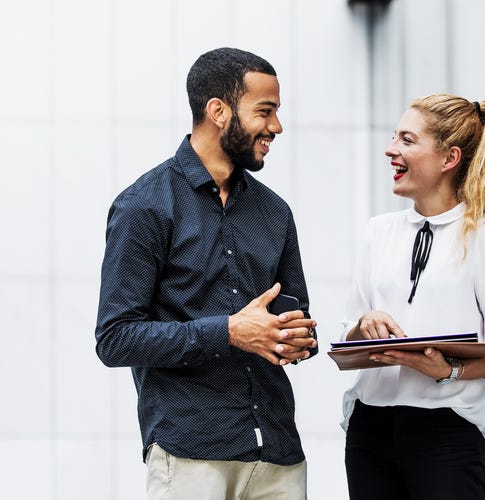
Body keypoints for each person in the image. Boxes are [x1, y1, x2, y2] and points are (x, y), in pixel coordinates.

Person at [95, 47, 318, 500]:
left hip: (277, 454)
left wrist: (297, 338)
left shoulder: (275, 212)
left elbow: (297, 317)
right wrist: (229, 332)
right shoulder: (144, 206)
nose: (276, 126)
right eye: (265, 111)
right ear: (218, 111)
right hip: (191, 452)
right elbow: (115, 338)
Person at [339, 94, 485, 499]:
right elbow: (347, 333)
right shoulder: (377, 232)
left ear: (448, 158)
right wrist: (363, 324)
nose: (391, 149)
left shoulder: (484, 237)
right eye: (394, 137)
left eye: (407, 139)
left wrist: (447, 371)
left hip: (447, 436)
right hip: (370, 430)